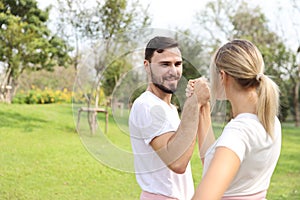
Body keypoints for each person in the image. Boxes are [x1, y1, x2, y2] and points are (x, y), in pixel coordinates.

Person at [188, 39, 282, 199]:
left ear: (223, 76)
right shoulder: (270, 120)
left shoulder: (238, 132)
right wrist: (202, 105)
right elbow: (212, 163)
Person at [129, 36, 210, 200]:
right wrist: (193, 103)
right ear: (147, 66)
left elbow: (207, 154)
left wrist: (203, 104)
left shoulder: (170, 109)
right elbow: (177, 162)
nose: (173, 71)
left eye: (178, 64)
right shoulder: (147, 106)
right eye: (165, 64)